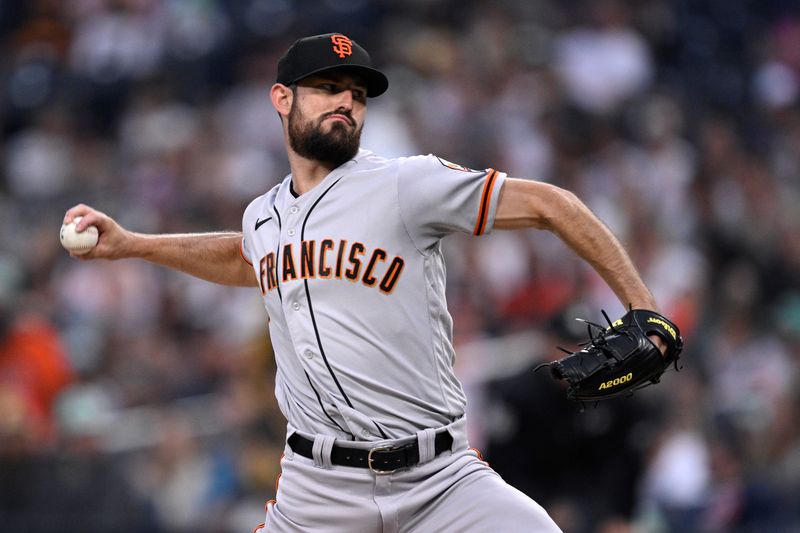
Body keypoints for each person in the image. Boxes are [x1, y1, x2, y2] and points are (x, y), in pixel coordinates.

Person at [64, 33, 668, 533]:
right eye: (327, 88)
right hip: (317, 491)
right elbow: (248, 260)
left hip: (439, 479)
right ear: (281, 99)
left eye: (356, 94)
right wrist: (134, 244)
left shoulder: (406, 185)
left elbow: (551, 205)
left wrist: (643, 307)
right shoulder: (263, 216)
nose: (345, 103)